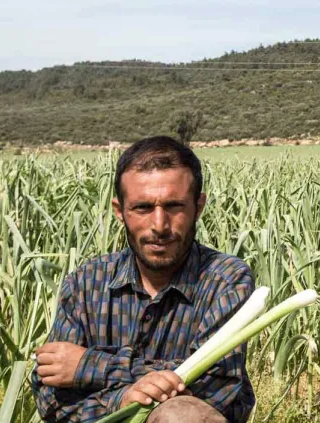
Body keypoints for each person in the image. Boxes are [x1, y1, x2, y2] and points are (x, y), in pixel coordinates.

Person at [31, 136, 255, 423]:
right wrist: (121, 399)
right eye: (143, 208)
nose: (159, 226)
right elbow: (50, 391)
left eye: (174, 206)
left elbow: (216, 384)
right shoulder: (86, 282)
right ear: (120, 211)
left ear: (198, 207)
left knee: (181, 414)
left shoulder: (226, 279)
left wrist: (91, 366)